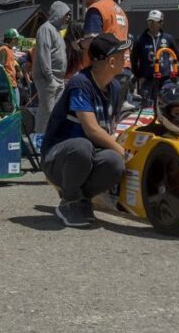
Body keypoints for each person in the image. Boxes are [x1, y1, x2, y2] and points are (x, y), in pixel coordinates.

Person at [41, 33, 131, 228]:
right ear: (112, 60)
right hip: (59, 158)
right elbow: (91, 129)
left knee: (114, 162)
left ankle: (82, 199)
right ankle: (69, 201)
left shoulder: (114, 87)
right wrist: (125, 153)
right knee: (83, 146)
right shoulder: (81, 83)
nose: (126, 58)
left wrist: (121, 154)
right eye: (123, 54)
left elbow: (110, 131)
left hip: (87, 157)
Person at [33, 1, 71, 134]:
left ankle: (49, 138)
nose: (68, 17)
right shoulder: (46, 29)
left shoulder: (56, 31)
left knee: (55, 112)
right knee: (47, 110)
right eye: (66, 14)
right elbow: (44, 54)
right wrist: (50, 78)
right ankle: (39, 138)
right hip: (47, 78)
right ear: (58, 12)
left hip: (57, 79)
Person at [132, 10, 179, 102]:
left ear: (161, 23)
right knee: (147, 107)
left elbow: (178, 57)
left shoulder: (168, 38)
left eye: (155, 21)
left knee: (167, 104)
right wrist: (138, 76)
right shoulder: (140, 39)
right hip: (147, 80)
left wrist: (177, 72)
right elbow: (133, 59)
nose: (152, 24)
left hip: (165, 79)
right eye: (150, 21)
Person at [0, 29, 24, 102]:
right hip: (8, 85)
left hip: (11, 83)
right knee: (13, 106)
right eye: (17, 39)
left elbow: (12, 62)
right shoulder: (4, 49)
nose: (18, 40)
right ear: (13, 39)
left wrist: (17, 69)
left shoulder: (8, 49)